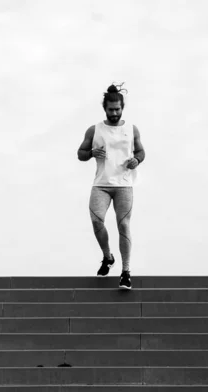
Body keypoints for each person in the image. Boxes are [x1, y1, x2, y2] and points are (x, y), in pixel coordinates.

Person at [77, 83, 145, 290]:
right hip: (101, 184)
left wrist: (137, 161)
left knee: (123, 225)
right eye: (111, 110)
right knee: (96, 220)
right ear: (104, 109)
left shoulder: (131, 129)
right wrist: (91, 154)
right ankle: (107, 257)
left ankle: (126, 272)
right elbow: (80, 154)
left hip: (124, 185)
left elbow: (141, 152)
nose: (114, 113)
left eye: (118, 109)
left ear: (122, 107)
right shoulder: (94, 129)